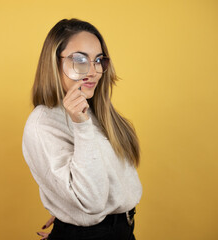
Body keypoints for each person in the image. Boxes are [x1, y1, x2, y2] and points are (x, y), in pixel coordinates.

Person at [22, 18, 142, 240]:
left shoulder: (94, 111)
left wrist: (67, 210)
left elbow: (109, 182)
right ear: (53, 62)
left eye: (98, 60)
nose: (93, 71)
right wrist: (81, 126)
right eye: (79, 59)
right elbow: (92, 201)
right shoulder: (42, 123)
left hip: (120, 230)